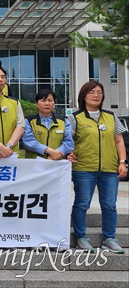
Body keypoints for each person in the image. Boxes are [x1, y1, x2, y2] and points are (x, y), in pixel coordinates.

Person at [67, 81, 126, 253]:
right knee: (82, 203)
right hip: (83, 168)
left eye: (99, 92)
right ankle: (81, 238)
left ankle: (109, 238)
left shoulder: (111, 116)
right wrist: (68, 154)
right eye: (92, 92)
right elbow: (67, 141)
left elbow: (119, 140)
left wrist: (122, 162)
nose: (96, 95)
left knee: (109, 205)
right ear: (84, 95)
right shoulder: (75, 117)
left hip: (109, 168)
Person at [22, 88, 74, 159]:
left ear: (54, 103)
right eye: (43, 100)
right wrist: (49, 151)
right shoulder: (29, 121)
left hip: (57, 164)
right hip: (34, 165)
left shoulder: (63, 121)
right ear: (36, 103)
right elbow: (29, 141)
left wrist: (56, 154)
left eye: (50, 100)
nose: (47, 103)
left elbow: (69, 142)